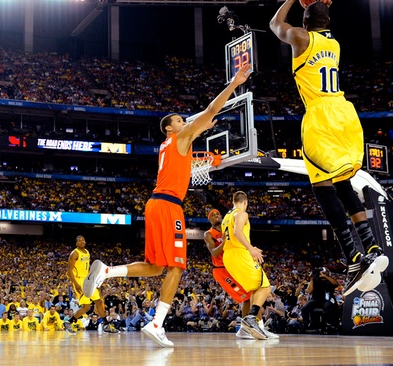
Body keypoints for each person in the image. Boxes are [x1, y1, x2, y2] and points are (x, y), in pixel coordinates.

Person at [83, 64, 252, 347]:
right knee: (176, 267)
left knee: (155, 266)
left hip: (156, 204)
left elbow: (199, 123)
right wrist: (235, 83)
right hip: (169, 206)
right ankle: (157, 323)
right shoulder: (179, 137)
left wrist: (198, 128)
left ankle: (107, 271)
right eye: (181, 119)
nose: (186, 121)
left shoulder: (169, 144)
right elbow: (210, 110)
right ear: (169, 128)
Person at [269, 0, 388, 296]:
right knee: (343, 182)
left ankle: (354, 257)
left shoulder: (299, 38)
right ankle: (372, 247)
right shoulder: (333, 44)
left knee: (321, 187)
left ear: (305, 20)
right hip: (345, 115)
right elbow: (320, 19)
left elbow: (274, 24)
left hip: (320, 117)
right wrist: (316, 5)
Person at [221, 191, 273, 340]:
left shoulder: (226, 217)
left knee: (254, 289)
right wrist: (251, 248)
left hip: (228, 256)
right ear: (245, 202)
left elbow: (225, 237)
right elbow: (237, 231)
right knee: (265, 286)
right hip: (240, 253)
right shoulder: (242, 214)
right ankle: (251, 318)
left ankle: (252, 326)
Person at [204, 208, 254, 339]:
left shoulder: (228, 229)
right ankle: (245, 328)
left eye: (217, 213)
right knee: (246, 297)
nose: (216, 215)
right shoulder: (208, 234)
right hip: (221, 271)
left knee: (252, 294)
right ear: (209, 219)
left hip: (233, 267)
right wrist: (224, 242)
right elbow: (214, 252)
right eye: (213, 215)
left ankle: (252, 326)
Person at [66, 235, 116, 334]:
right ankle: (69, 322)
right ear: (76, 243)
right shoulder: (75, 253)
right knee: (87, 307)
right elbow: (69, 271)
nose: (81, 241)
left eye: (83, 240)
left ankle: (105, 324)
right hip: (79, 280)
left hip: (88, 279)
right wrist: (75, 284)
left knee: (99, 302)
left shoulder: (87, 252)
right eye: (79, 240)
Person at [301, 266, 339, 331]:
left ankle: (329, 324)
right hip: (315, 300)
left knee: (329, 306)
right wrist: (312, 279)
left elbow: (336, 284)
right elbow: (309, 291)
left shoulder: (329, 280)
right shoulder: (316, 280)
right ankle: (306, 325)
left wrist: (325, 277)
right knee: (304, 308)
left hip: (326, 300)